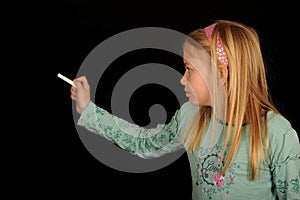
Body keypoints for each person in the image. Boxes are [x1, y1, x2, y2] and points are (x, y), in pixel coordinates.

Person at [70, 19, 300, 199]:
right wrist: (89, 110)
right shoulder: (190, 116)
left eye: (189, 69)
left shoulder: (277, 134)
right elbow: (143, 142)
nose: (183, 80)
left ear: (221, 74)